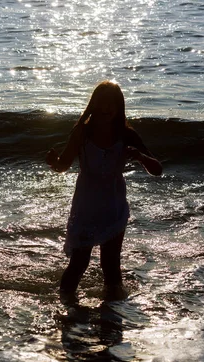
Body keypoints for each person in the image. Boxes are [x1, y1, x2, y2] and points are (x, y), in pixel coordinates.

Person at [46, 80, 162, 301]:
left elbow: (157, 169)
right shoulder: (82, 132)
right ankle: (65, 306)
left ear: (119, 107)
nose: (106, 108)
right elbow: (64, 164)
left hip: (113, 205)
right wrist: (54, 162)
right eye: (102, 103)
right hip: (85, 205)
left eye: (112, 104)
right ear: (94, 104)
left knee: (111, 264)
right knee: (79, 262)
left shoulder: (126, 134)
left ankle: (112, 315)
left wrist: (139, 156)